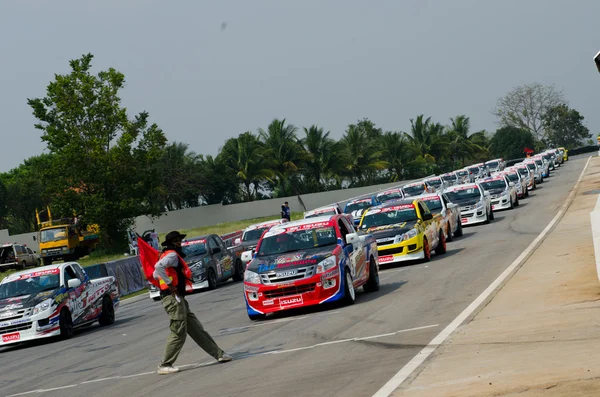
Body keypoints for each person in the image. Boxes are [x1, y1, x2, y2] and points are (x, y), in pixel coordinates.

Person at [153, 230, 232, 375]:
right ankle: (165, 364)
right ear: (171, 243)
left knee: (196, 329)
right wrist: (170, 284)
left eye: (180, 240)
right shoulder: (171, 255)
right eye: (176, 241)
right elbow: (158, 268)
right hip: (173, 298)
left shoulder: (168, 255)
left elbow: (155, 274)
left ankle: (219, 354)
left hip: (176, 298)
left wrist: (167, 282)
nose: (179, 243)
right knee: (179, 331)